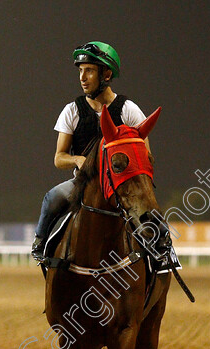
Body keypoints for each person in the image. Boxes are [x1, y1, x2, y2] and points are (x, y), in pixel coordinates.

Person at [31, 41, 175, 269]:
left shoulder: (128, 109)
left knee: (150, 210)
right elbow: (59, 157)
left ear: (106, 74)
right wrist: (77, 159)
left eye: (89, 70)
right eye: (80, 71)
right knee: (52, 197)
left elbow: (145, 153)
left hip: (121, 185)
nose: (82, 77)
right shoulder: (72, 110)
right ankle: (41, 246)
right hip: (83, 183)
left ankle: (164, 253)